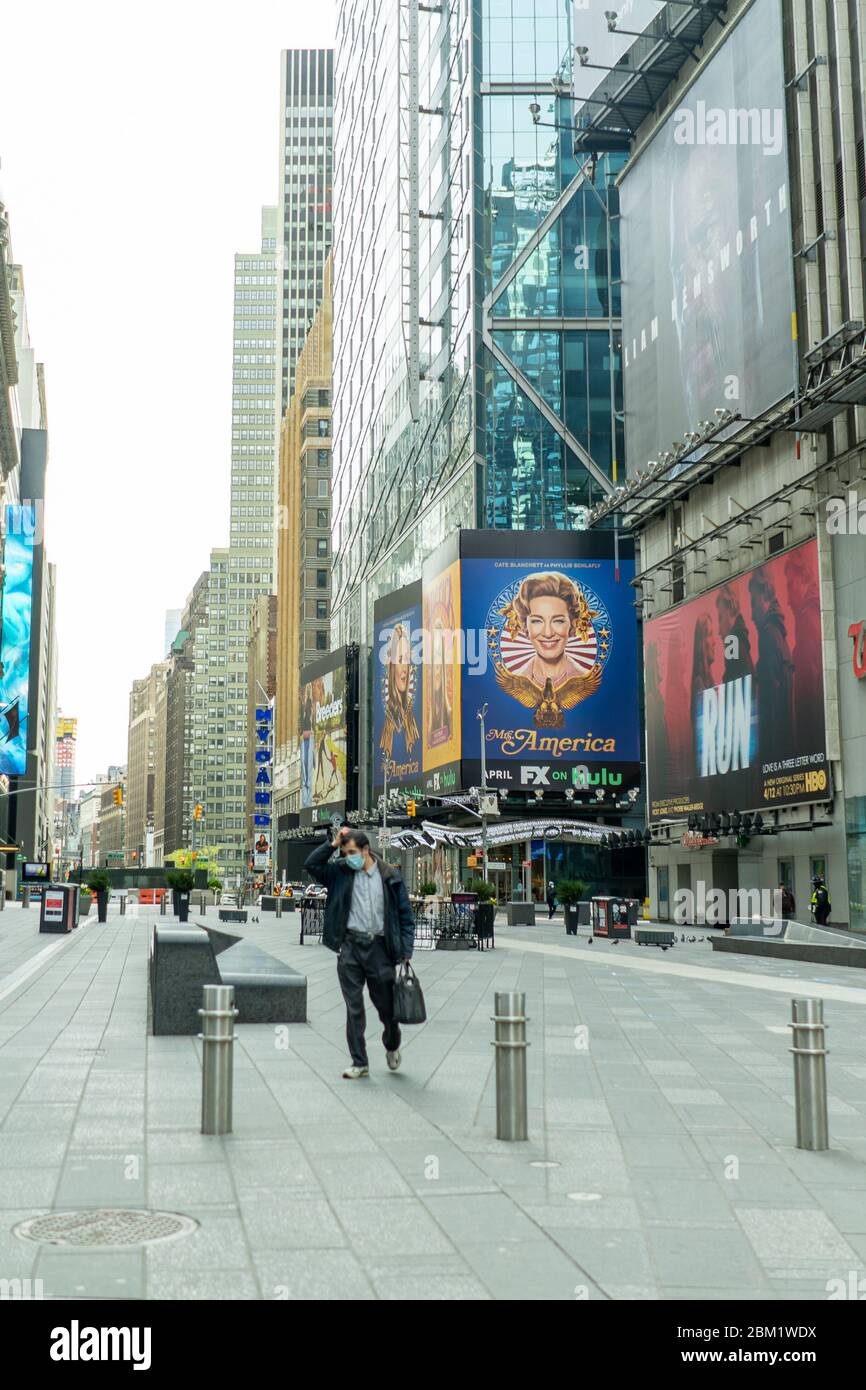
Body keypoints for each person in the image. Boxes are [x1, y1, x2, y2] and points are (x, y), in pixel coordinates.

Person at [305, 825, 416, 1080]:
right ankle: (359, 1061)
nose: (349, 857)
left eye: (352, 852)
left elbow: (405, 916)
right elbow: (312, 865)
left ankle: (392, 1042)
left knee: (386, 1008)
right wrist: (332, 845)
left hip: (379, 948)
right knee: (353, 1007)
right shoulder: (340, 873)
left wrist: (406, 950)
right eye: (345, 853)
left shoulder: (390, 876)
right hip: (350, 947)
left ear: (366, 850)